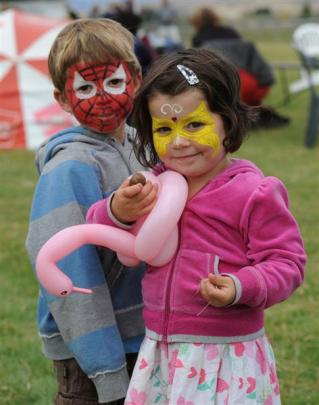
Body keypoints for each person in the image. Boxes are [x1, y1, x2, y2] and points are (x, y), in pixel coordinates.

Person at [86, 48, 306, 404]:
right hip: (161, 347)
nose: (178, 142)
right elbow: (98, 229)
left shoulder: (254, 192)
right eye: (163, 128)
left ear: (228, 122)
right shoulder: (152, 186)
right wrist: (118, 209)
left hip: (225, 356)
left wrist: (240, 286)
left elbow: (288, 263)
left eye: (194, 124)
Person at [26, 18, 147, 404]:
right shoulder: (71, 166)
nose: (103, 99)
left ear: (136, 79)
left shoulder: (141, 144)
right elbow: (69, 273)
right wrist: (107, 372)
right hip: (92, 355)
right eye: (85, 88)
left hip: (140, 333)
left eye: (114, 82)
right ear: (63, 98)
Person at [189, 8, 290, 128]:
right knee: (248, 106)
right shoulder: (231, 32)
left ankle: (238, 121)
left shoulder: (198, 39)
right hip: (255, 82)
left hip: (229, 83)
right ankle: (255, 118)